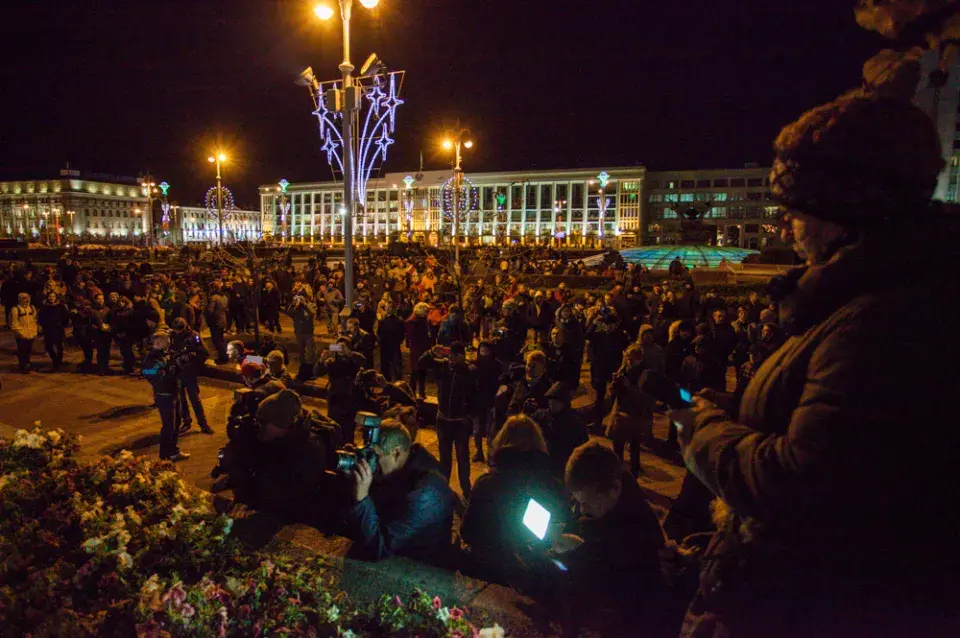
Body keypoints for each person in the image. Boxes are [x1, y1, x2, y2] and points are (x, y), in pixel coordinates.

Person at [672, 91, 960, 637]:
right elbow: (843, 435)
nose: (789, 228)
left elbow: (807, 482)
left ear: (840, 212)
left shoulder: (882, 322)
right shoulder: (877, 302)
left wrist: (704, 432)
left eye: (796, 212)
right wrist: (744, 413)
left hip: (807, 606)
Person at [553, 442, 668, 634]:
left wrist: (580, 552)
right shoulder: (609, 507)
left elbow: (616, 586)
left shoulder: (637, 532)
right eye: (578, 502)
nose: (582, 510)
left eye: (586, 502)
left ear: (615, 488)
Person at [460, 415, 569, 586]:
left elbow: (468, 532)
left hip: (491, 577)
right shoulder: (552, 485)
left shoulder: (487, 484)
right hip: (537, 578)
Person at [345, 420, 454, 564]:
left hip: (418, 569)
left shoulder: (425, 493)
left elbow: (378, 547)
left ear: (396, 452)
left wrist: (361, 498)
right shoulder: (400, 467)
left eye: (375, 456)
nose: (372, 462)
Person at [242, 389, 342, 524]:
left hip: (292, 519)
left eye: (263, 422)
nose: (259, 426)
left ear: (282, 423)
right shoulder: (282, 439)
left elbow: (284, 495)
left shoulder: (306, 447)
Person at [419, 341, 477, 498]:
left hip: (460, 422)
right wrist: (431, 351)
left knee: (462, 457)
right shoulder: (443, 367)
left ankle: (466, 488)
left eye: (455, 355)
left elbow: (475, 395)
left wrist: (468, 416)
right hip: (443, 420)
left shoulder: (469, 371)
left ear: (461, 356)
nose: (451, 358)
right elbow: (421, 363)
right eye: (450, 355)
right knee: (445, 458)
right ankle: (444, 488)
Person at [605, 344, 656, 476]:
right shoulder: (622, 370)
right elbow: (613, 394)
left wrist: (629, 387)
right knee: (618, 445)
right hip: (620, 413)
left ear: (639, 359)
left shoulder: (644, 374)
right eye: (627, 358)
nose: (628, 361)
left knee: (634, 446)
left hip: (635, 415)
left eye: (631, 359)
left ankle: (634, 472)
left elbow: (645, 397)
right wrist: (612, 386)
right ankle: (618, 471)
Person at [141, 330, 189, 462]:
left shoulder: (164, 354)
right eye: (166, 341)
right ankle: (165, 455)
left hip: (173, 392)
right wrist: (166, 370)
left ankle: (173, 451)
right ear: (159, 342)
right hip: (164, 395)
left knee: (176, 423)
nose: (169, 343)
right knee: (168, 426)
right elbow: (149, 373)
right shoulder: (151, 358)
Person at [314, 336, 366, 444]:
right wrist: (321, 361)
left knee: (349, 429)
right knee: (334, 427)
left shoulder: (354, 359)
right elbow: (317, 373)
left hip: (350, 399)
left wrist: (350, 353)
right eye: (338, 346)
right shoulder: (332, 361)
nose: (340, 349)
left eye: (343, 347)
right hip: (335, 400)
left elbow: (364, 362)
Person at [170, 317, 213, 435]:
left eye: (180, 330)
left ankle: (203, 424)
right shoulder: (172, 335)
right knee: (181, 400)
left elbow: (205, 353)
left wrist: (190, 357)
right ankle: (186, 422)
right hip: (178, 371)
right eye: (176, 330)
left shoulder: (194, 336)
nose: (178, 332)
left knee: (195, 400)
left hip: (189, 372)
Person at [540, 382, 589, 480]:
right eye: (550, 399)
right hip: (543, 469)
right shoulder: (541, 416)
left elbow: (582, 449)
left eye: (556, 400)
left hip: (563, 470)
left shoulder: (574, 424)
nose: (552, 403)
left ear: (564, 402)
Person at [285, 287, 317, 382]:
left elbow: (312, 313)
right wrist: (293, 304)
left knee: (310, 354)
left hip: (308, 333)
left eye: (302, 296)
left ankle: (312, 372)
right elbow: (289, 313)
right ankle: (303, 372)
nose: (301, 298)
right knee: (302, 354)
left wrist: (305, 304)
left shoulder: (311, 305)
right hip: (299, 333)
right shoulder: (296, 307)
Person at [404, 302, 432, 398]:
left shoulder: (420, 321)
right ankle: (414, 392)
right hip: (418, 349)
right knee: (416, 372)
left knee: (419, 371)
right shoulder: (414, 323)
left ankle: (420, 391)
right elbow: (414, 337)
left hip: (419, 349)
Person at [38, 291, 69, 371]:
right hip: (48, 329)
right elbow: (40, 317)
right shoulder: (44, 307)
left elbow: (66, 317)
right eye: (50, 296)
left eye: (53, 296)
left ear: (56, 297)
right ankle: (55, 360)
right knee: (49, 346)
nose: (51, 298)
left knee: (59, 346)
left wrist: (62, 325)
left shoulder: (61, 307)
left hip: (58, 329)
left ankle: (58, 361)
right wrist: (43, 325)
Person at [10, 292, 38, 373]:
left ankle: (27, 364)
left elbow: (35, 320)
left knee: (28, 350)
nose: (26, 300)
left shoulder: (32, 308)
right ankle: (23, 365)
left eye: (27, 298)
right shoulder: (15, 309)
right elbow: (14, 323)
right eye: (24, 298)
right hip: (21, 334)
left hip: (30, 333)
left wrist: (34, 331)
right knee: (22, 350)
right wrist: (19, 332)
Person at [376, 303, 405, 382]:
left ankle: (397, 382)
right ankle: (387, 382)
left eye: (390, 307)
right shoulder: (382, 321)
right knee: (386, 365)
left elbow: (402, 333)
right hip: (386, 345)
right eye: (387, 307)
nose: (388, 309)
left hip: (393, 344)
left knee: (396, 365)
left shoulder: (398, 321)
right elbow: (379, 333)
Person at [205, 281, 229, 363]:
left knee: (217, 340)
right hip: (223, 320)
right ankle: (225, 355)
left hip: (216, 321)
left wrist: (205, 311)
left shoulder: (214, 298)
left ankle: (223, 358)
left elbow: (210, 311)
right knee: (221, 339)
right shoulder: (224, 297)